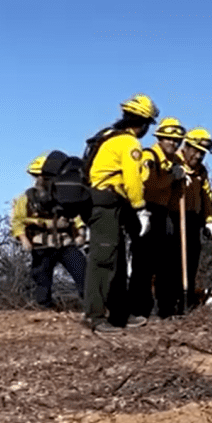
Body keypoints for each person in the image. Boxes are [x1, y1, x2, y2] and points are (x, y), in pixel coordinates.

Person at [84, 93, 158, 332]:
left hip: (106, 202)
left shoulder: (108, 135)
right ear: (144, 123)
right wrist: (140, 208)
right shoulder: (129, 143)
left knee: (115, 259)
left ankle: (119, 314)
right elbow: (132, 179)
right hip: (106, 203)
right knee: (103, 260)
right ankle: (95, 317)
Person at [129, 117, 185, 320]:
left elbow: (177, 193)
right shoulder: (148, 156)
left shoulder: (177, 162)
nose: (173, 143)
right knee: (143, 263)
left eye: (177, 140)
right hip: (146, 211)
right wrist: (172, 177)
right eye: (169, 139)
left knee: (166, 264)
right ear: (160, 138)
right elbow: (148, 184)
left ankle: (166, 309)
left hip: (164, 213)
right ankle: (138, 309)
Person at [11, 155, 86, 309]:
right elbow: (18, 221)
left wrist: (81, 233)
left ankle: (92, 306)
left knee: (83, 272)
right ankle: (44, 308)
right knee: (42, 278)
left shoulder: (66, 196)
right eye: (40, 176)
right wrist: (23, 238)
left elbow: (77, 217)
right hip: (41, 245)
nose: (42, 179)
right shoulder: (26, 198)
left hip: (65, 243)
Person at [177, 128, 212, 310]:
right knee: (172, 262)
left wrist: (209, 220)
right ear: (187, 147)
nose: (199, 156)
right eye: (196, 151)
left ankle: (188, 299)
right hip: (174, 217)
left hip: (193, 218)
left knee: (192, 260)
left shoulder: (201, 172)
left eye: (203, 153)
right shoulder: (175, 163)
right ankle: (170, 302)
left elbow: (206, 196)